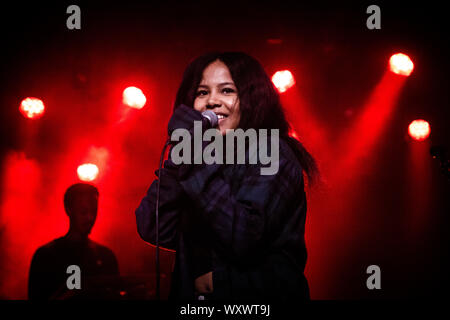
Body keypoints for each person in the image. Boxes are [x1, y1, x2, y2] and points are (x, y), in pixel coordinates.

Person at [135, 52, 317, 301]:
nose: (212, 101)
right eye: (202, 92)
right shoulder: (203, 157)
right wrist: (181, 154)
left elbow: (244, 237)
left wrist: (195, 161)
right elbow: (153, 227)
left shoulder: (271, 152)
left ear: (252, 98)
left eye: (227, 90)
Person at [28, 183, 119, 300]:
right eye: (83, 212)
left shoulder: (106, 257)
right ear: (68, 209)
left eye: (93, 211)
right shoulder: (46, 256)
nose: (90, 218)